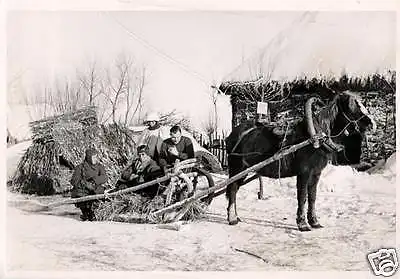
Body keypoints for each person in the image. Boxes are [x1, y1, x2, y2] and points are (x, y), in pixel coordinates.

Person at [70, 148, 107, 221]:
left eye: (96, 157)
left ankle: (93, 211)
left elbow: (104, 177)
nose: (96, 159)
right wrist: (85, 184)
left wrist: (94, 181)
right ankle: (85, 212)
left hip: (95, 189)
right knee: (78, 192)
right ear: (89, 157)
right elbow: (74, 181)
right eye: (94, 157)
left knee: (99, 191)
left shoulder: (99, 167)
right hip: (84, 190)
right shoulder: (80, 167)